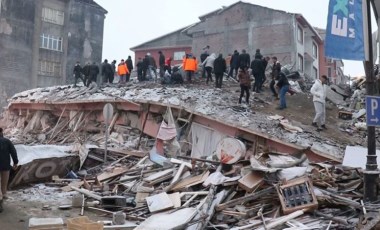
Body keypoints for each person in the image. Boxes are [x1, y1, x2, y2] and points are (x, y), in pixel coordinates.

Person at [0, 128, 18, 213]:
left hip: (5, 166)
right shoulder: (7, 141)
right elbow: (13, 152)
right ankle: (3, 197)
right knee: (4, 184)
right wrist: (15, 162)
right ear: (1, 132)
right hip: (5, 166)